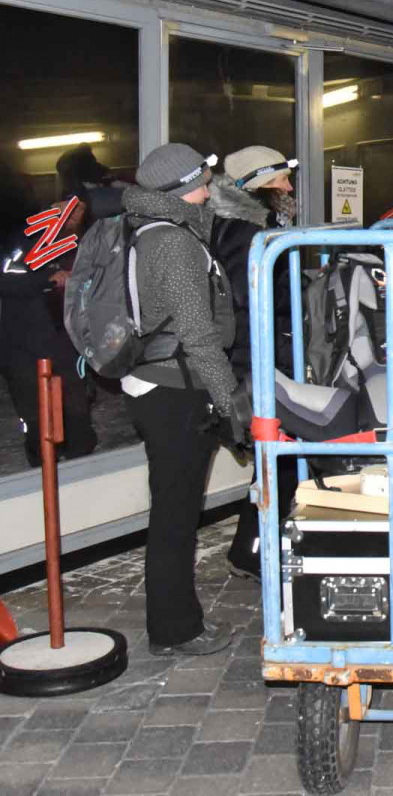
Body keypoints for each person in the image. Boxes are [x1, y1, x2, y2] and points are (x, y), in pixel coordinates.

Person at [121, 143, 248, 656]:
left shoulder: (161, 231)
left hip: (168, 385)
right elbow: (197, 333)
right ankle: (175, 630)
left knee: (174, 510)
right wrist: (229, 400)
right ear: (180, 189)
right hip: (175, 390)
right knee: (175, 515)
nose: (210, 186)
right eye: (202, 179)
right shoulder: (172, 241)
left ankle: (175, 622)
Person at [206, 145, 299, 580]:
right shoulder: (245, 234)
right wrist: (301, 294)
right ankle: (253, 552)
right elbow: (254, 296)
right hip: (256, 358)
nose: (288, 187)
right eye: (280, 181)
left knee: (275, 458)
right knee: (276, 460)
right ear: (258, 186)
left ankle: (256, 548)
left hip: (256, 354)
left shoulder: (240, 226)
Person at [0, 169, 98, 467]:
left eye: (79, 207)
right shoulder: (28, 236)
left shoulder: (88, 240)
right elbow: (6, 277)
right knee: (37, 420)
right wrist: (48, 278)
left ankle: (81, 476)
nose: (72, 213)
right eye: (65, 206)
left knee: (77, 416)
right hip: (24, 348)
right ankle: (43, 476)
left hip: (69, 346)